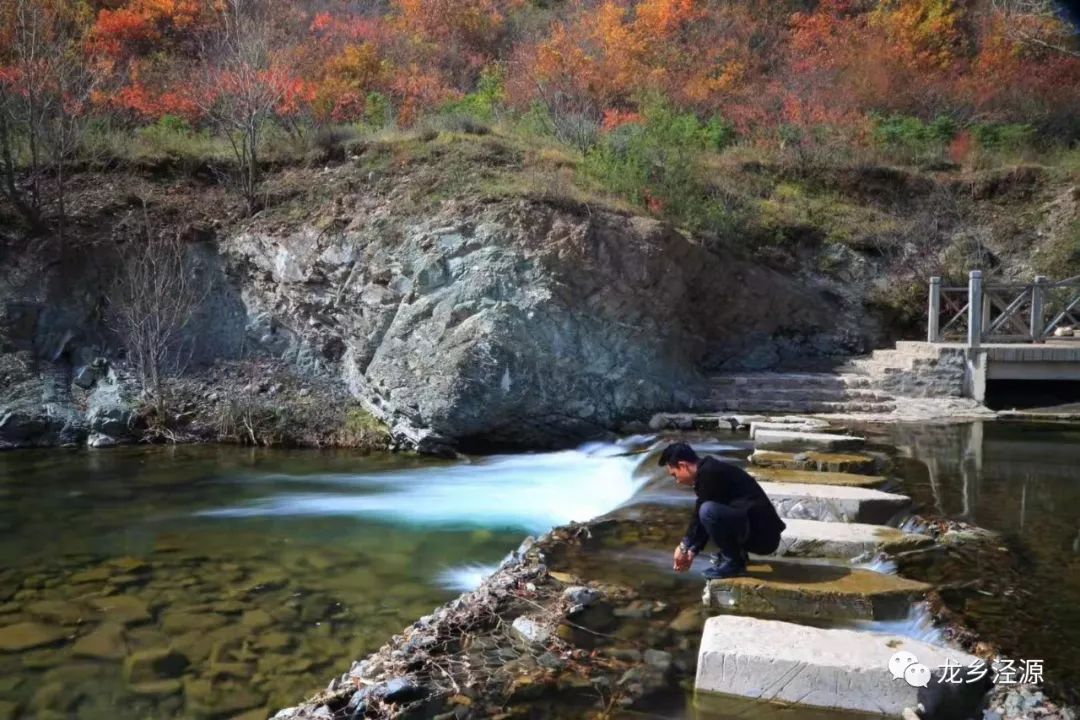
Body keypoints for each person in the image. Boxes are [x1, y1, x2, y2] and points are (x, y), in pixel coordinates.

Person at [659, 442, 786, 579]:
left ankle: (734, 563)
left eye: (675, 475)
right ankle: (737, 556)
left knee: (708, 511)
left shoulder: (709, 473)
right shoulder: (709, 471)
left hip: (764, 539)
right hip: (760, 533)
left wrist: (684, 547)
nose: (677, 481)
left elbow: (703, 515)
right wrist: (692, 550)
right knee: (708, 513)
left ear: (683, 466)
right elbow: (701, 523)